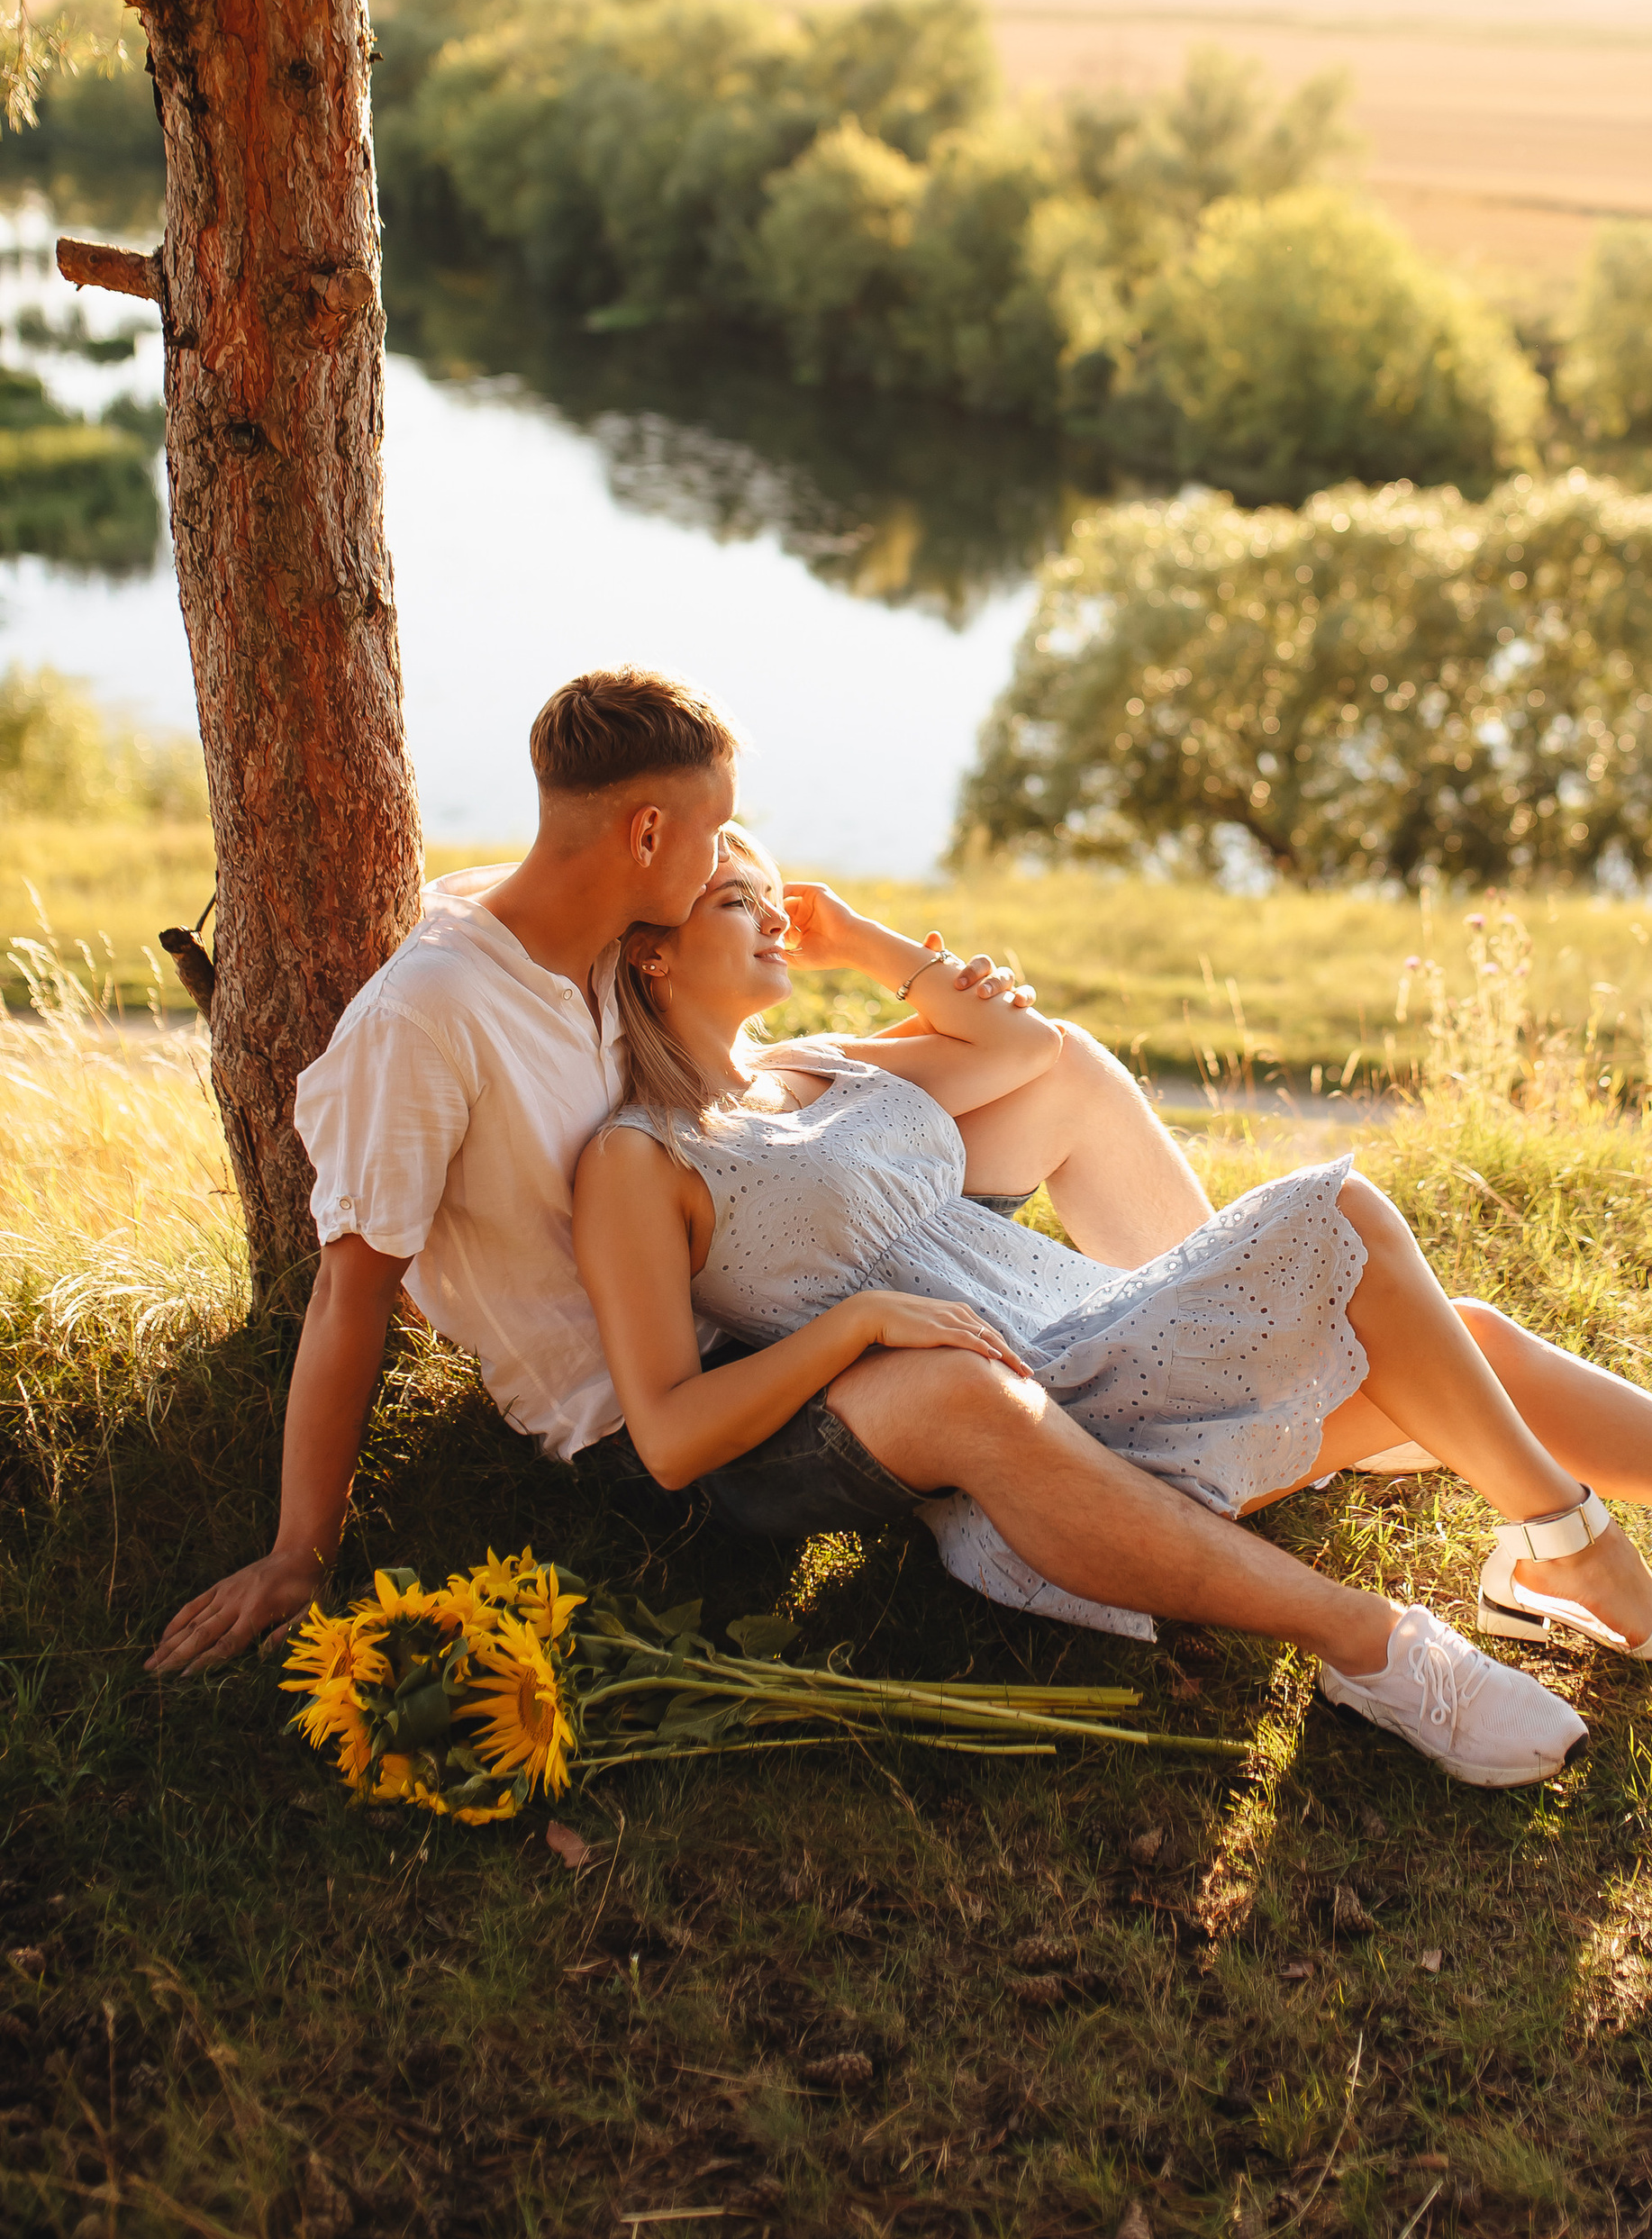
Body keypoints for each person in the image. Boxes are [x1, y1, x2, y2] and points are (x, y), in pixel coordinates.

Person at [570, 837, 1652, 1784]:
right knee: (1339, 1217)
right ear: (646, 948)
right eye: (730, 899)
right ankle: (1567, 1546)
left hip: (1098, 1316)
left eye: (768, 892)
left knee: (1474, 1339)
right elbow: (671, 1431)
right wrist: (853, 1332)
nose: (768, 913)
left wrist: (867, 941)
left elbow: (1033, 1045)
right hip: (1048, 1385)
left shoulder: (823, 1063)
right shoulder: (644, 1157)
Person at [145, 663, 1177, 1682]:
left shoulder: (599, 931)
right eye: (714, 827)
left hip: (758, 1260)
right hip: (682, 1405)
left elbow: (791, 1038)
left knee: (1065, 1070)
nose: (726, 850)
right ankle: (1158, 1449)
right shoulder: (429, 1019)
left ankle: (1219, 1312)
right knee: (964, 1380)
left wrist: (846, 944)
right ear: (646, 834)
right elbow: (349, 1290)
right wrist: (299, 1553)